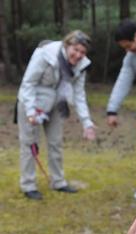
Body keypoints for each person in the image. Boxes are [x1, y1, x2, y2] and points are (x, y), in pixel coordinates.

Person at [17, 30, 96, 200]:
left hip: (57, 104)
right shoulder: (45, 54)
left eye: (82, 52)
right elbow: (28, 83)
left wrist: (87, 123)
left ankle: (58, 182)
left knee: (56, 143)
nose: (78, 55)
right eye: (75, 49)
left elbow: (79, 95)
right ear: (66, 45)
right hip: (32, 103)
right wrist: (30, 111)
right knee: (30, 144)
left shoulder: (81, 65)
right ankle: (28, 185)